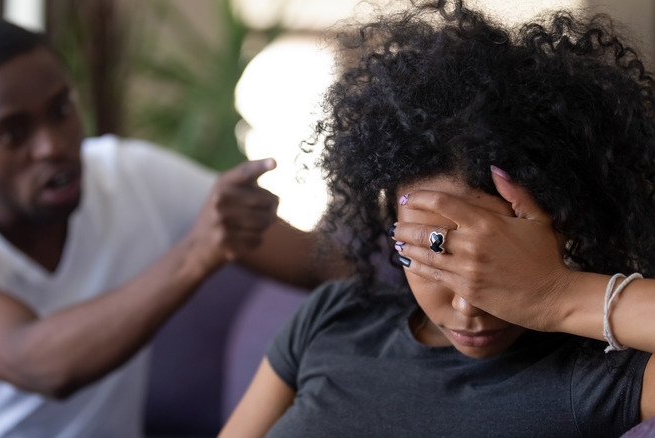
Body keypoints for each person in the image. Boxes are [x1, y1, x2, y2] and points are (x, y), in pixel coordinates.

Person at [0, 16, 345, 438]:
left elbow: (321, 264)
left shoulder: (130, 176)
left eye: (61, 110)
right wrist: (197, 253)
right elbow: (35, 361)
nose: (52, 146)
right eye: (13, 133)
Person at [220, 1, 655, 436]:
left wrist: (553, 295)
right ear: (392, 219)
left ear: (566, 225)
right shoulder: (334, 318)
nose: (468, 306)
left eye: (495, 252)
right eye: (436, 249)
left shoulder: (596, 378)